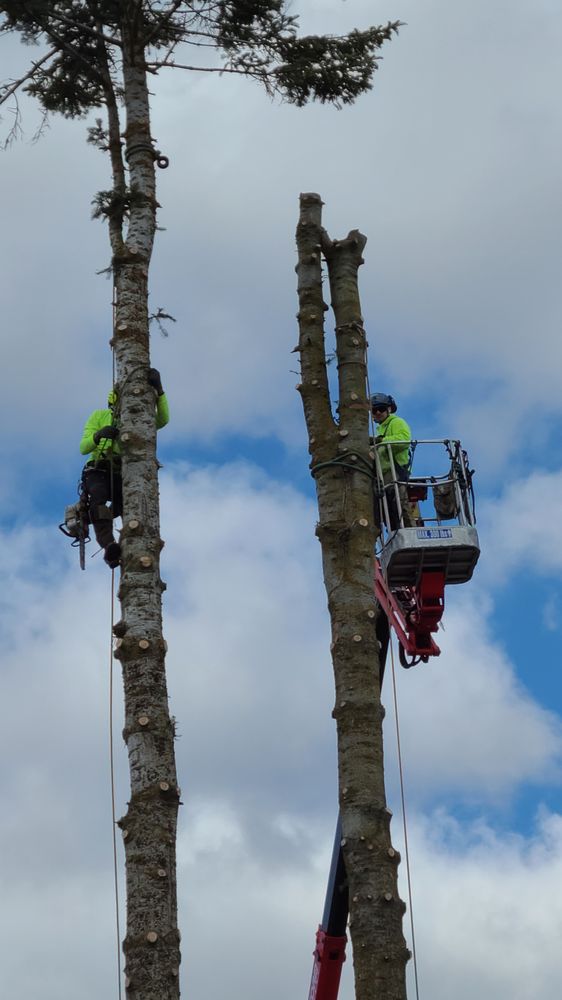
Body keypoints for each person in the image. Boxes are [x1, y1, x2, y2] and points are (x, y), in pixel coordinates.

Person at [80, 368, 169, 568]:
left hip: (122, 472)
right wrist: (99, 435)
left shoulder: (136, 420)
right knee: (98, 500)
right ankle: (109, 545)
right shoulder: (99, 416)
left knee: (126, 506)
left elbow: (161, 420)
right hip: (98, 469)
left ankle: (121, 547)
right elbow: (83, 447)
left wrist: (160, 392)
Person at [370, 392, 415, 529]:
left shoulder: (396, 422)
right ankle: (395, 532)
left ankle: (409, 531)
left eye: (381, 409)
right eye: (374, 410)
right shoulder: (380, 429)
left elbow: (404, 440)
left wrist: (381, 441)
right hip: (384, 475)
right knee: (386, 509)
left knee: (399, 503)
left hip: (396, 471)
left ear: (389, 409)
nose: (378, 412)